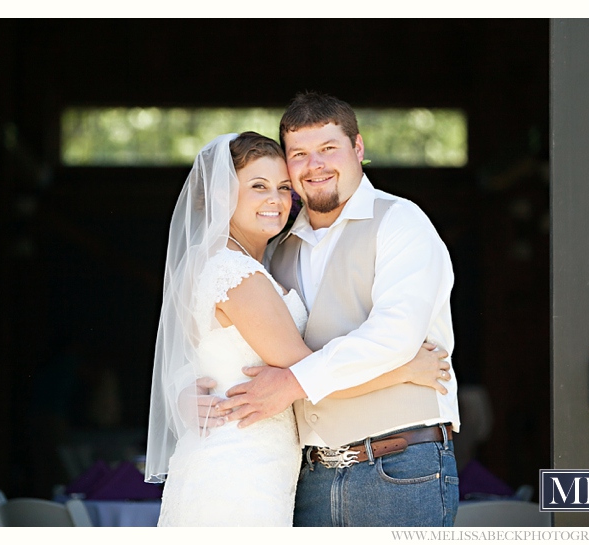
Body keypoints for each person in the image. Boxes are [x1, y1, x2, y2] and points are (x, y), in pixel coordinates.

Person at [145, 131, 452, 526]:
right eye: (258, 186)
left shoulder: (233, 261)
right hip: (241, 468)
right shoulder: (235, 274)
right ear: (222, 194)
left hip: (249, 461)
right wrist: (404, 371)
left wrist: (185, 389)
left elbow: (190, 355)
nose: (276, 199)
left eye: (284, 187)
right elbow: (304, 372)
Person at [216, 92, 460, 527]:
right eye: (300, 155)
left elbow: (394, 338)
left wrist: (293, 382)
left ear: (358, 149)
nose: (316, 165)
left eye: (328, 149)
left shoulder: (401, 221)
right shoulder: (276, 251)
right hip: (308, 480)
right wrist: (198, 393)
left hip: (397, 467)